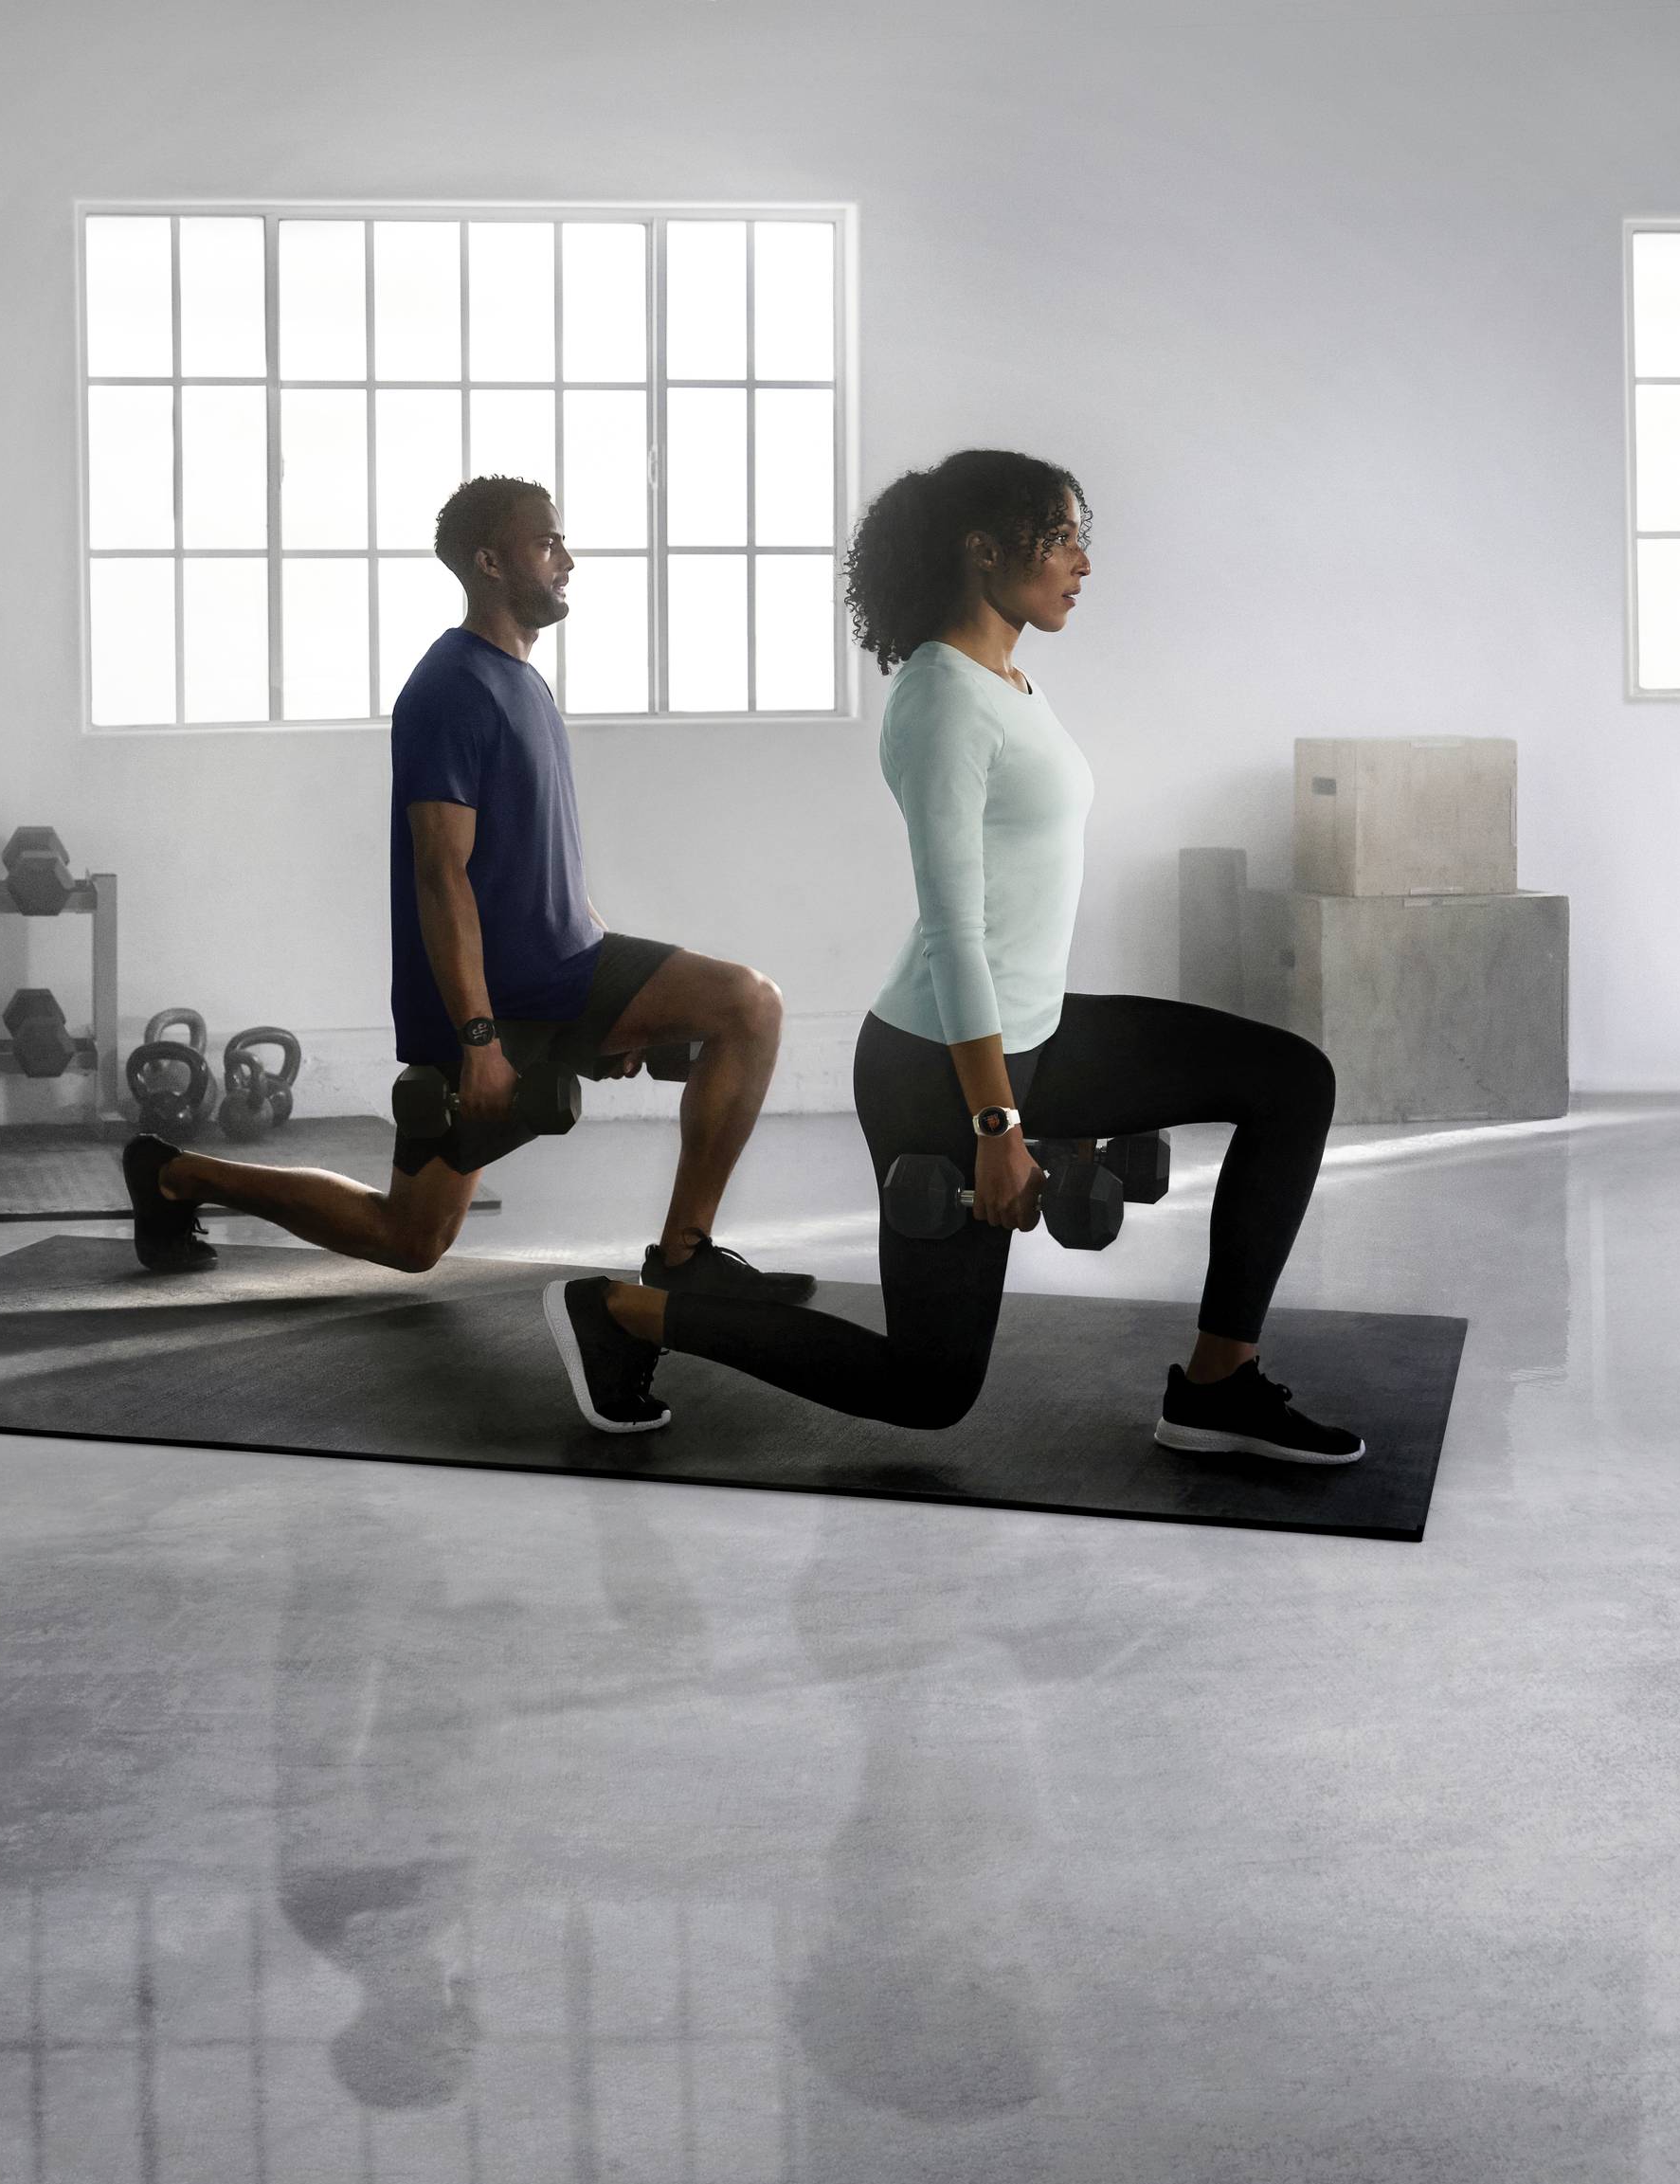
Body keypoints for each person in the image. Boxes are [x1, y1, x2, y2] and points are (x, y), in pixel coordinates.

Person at [539, 448, 1364, 1464]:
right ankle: (621, 1312)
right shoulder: (940, 699)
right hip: (939, 1070)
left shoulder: (1008, 678)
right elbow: (955, 927)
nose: (1082, 563)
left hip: (1036, 1031)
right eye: (1061, 537)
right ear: (984, 548)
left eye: (1078, 539)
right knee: (928, 1387)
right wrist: (999, 1123)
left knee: (1290, 1081)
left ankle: (1216, 1383)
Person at [122, 474, 813, 1310]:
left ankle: (172, 1176)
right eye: (547, 542)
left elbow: (544, 869)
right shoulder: (450, 688)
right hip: (504, 1001)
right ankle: (175, 1176)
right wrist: (479, 1039)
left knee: (741, 1008)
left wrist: (626, 1006)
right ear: (489, 561)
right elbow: (438, 872)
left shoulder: (525, 681)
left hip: (565, 978)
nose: (568, 559)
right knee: (412, 1236)